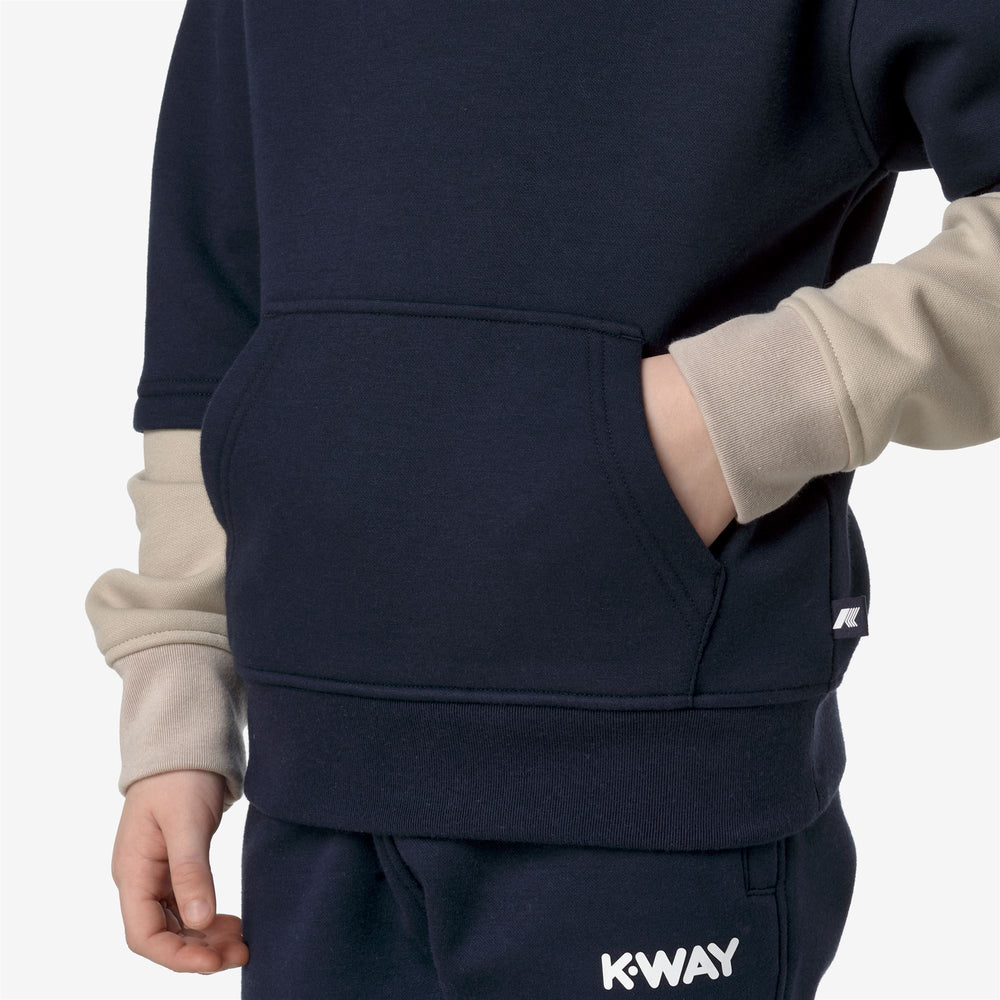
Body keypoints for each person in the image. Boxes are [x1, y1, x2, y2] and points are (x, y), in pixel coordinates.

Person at [85, 1, 1000, 996]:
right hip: (314, 783)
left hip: (649, 779)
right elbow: (212, 322)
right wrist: (177, 697)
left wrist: (722, 414)